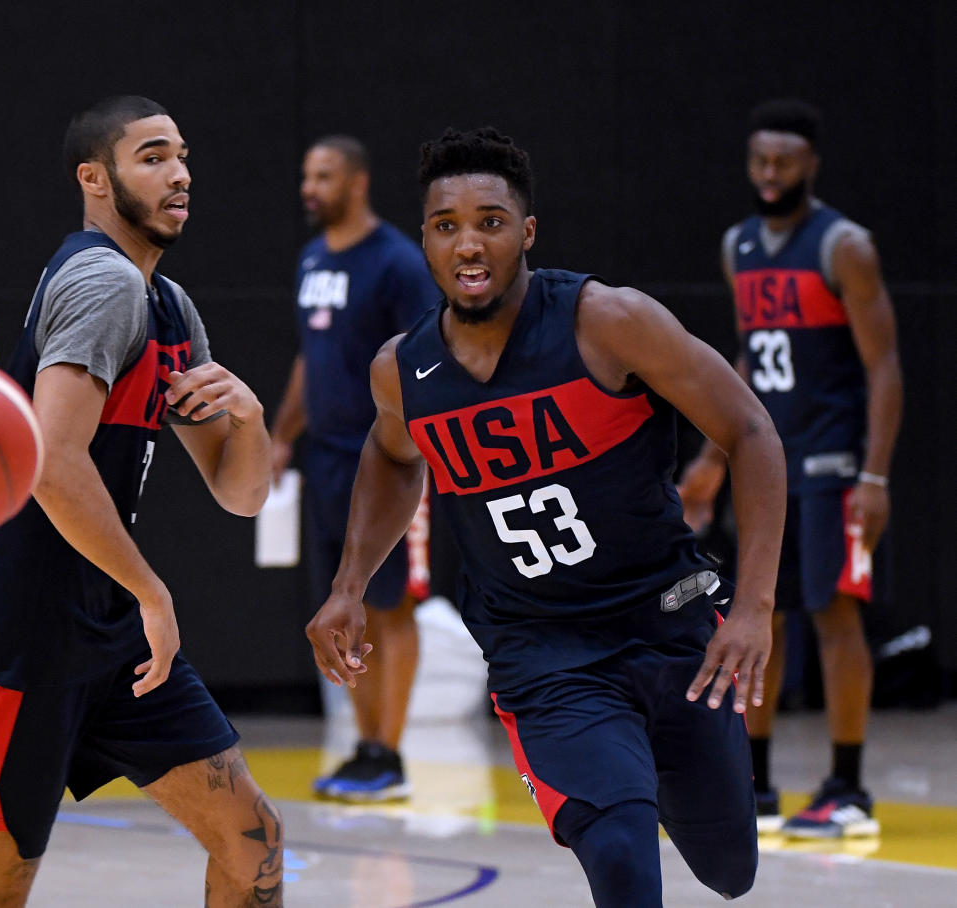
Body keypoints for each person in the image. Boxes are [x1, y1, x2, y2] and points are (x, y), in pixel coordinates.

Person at [306, 127, 786, 906]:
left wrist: (755, 609)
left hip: (670, 623)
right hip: (543, 649)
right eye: (447, 225)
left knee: (730, 871)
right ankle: (614, 776)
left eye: (491, 222)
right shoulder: (403, 370)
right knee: (623, 854)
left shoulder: (607, 321)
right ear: (424, 242)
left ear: (526, 233)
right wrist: (349, 583)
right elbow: (394, 456)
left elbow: (751, 431)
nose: (469, 243)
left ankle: (639, 762)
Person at [0, 96, 283, 908]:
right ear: (95, 178)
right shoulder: (103, 282)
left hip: (111, 635)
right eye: (151, 157)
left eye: (181, 155)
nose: (179, 173)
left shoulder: (170, 307)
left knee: (254, 845)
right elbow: (52, 463)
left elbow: (240, 494)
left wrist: (247, 414)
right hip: (22, 633)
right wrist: (152, 591)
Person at [678, 99, 902, 838]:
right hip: (768, 462)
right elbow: (751, 355)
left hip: (835, 461)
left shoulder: (844, 246)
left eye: (784, 161)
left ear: (811, 163)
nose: (770, 174)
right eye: (759, 161)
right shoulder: (738, 244)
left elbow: (885, 367)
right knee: (758, 614)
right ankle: (759, 782)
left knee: (835, 615)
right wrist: (713, 455)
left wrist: (874, 476)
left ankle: (848, 787)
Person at [270, 135, 437, 802]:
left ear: (358, 182)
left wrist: (418, 448)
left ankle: (390, 754)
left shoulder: (396, 262)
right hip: (325, 459)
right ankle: (364, 748)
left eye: (325, 175)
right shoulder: (312, 258)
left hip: (386, 459)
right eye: (307, 174)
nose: (311, 187)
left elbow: (424, 357)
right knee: (345, 605)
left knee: (391, 602)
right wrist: (282, 436)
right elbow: (309, 359)